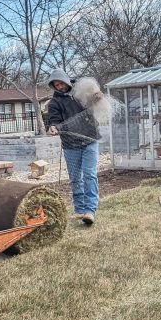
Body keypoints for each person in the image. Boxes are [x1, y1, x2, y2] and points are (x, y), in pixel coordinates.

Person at [45, 69, 100, 225]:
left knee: (89, 174)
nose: (59, 86)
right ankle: (80, 210)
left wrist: (97, 98)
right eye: (55, 85)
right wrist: (53, 127)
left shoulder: (82, 90)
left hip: (90, 139)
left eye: (61, 83)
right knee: (76, 179)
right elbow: (53, 120)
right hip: (71, 145)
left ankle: (90, 210)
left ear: (66, 81)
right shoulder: (54, 103)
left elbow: (94, 100)